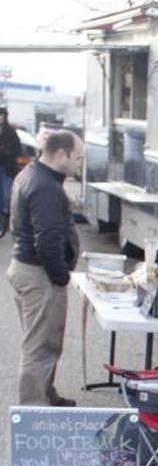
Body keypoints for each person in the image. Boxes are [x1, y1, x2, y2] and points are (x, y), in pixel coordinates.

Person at [7, 130, 83, 406]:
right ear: (60, 154)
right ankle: (33, 408)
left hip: (27, 268)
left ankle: (45, 395)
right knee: (40, 345)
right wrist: (61, 276)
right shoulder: (45, 186)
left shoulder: (32, 174)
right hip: (39, 273)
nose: (79, 165)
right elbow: (48, 237)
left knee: (46, 339)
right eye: (77, 158)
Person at [0, 107, 23, 235]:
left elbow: (17, 149)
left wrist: (5, 150)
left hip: (6, 167)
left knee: (5, 196)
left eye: (1, 115)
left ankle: (6, 220)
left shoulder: (10, 132)